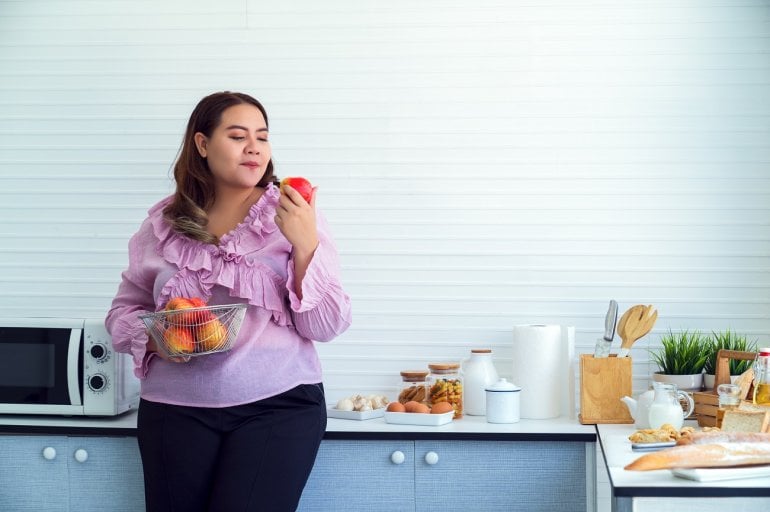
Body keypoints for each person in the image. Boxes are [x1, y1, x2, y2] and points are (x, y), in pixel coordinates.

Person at [105, 91, 352, 512]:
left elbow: (326, 326)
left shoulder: (293, 213)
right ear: (202, 144)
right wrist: (158, 337)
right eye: (238, 135)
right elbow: (121, 314)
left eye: (262, 136)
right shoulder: (162, 225)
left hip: (279, 405)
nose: (254, 146)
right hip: (174, 409)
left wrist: (306, 244)